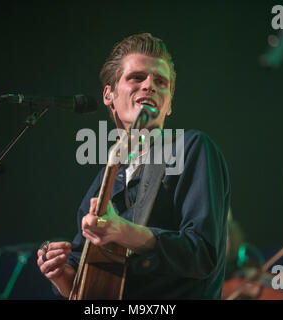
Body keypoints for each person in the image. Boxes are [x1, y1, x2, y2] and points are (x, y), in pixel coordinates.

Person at [36, 33, 231, 299]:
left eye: (161, 82)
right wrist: (60, 275)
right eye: (137, 77)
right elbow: (90, 290)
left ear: (169, 104)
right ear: (109, 95)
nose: (149, 85)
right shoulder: (103, 182)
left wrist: (124, 231)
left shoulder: (191, 148)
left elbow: (203, 255)